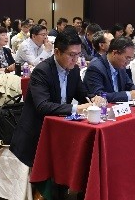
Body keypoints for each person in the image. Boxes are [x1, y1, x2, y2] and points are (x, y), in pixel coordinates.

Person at [10, 32, 101, 169]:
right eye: (72, 55)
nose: (75, 59)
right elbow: (43, 106)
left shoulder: (74, 70)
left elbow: (82, 93)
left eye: (78, 54)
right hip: (38, 131)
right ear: (57, 52)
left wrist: (93, 98)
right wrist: (77, 108)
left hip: (61, 127)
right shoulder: (42, 71)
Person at [84, 36, 135, 103]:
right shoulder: (95, 67)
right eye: (127, 58)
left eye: (130, 58)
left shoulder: (120, 65)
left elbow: (129, 85)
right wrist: (128, 95)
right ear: (114, 53)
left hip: (120, 106)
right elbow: (99, 95)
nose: (128, 62)